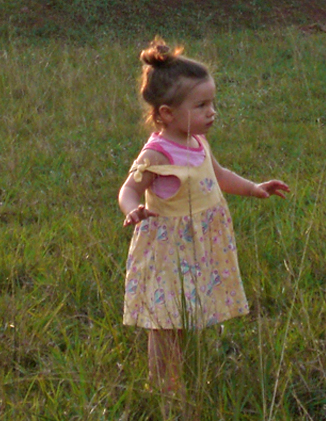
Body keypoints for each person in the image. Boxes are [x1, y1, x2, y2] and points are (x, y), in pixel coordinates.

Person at [118, 37, 289, 402]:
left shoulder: (197, 141)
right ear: (166, 113)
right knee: (164, 322)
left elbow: (220, 175)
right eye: (201, 106)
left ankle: (178, 374)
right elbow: (129, 189)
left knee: (182, 315)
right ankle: (163, 387)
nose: (212, 112)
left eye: (212, 103)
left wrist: (254, 188)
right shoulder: (157, 153)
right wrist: (132, 208)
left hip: (198, 245)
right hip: (168, 248)